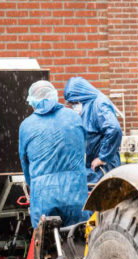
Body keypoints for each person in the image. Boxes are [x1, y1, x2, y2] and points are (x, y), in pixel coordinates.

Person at [19, 80, 89, 228]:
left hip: (44, 198)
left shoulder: (26, 125)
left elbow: (25, 165)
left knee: (47, 245)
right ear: (54, 96)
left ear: (33, 102)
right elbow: (83, 149)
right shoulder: (74, 117)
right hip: (76, 195)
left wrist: (34, 189)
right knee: (80, 242)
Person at [63, 77, 123, 184]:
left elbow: (114, 129)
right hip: (94, 169)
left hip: (104, 167)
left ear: (82, 95)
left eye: (75, 102)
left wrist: (102, 158)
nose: (74, 106)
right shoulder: (88, 106)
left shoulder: (99, 104)